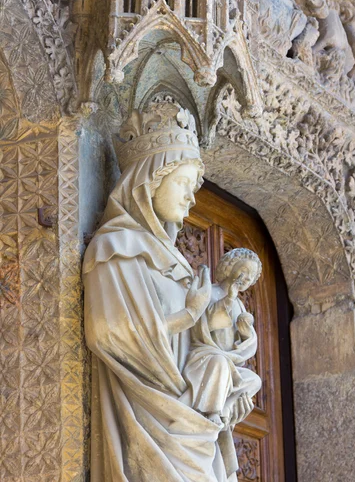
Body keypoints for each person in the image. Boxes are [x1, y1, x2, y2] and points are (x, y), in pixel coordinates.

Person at [83, 103, 232, 481]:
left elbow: (191, 345)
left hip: (194, 417)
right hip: (149, 417)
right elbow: (109, 333)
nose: (192, 199)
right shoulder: (114, 248)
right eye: (183, 183)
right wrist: (188, 315)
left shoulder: (178, 262)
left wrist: (211, 329)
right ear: (149, 181)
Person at [182, 248, 262, 479]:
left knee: (253, 379)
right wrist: (227, 300)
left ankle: (225, 409)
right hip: (205, 355)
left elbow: (244, 347)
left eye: (251, 277)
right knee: (220, 362)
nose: (245, 278)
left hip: (229, 363)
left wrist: (247, 334)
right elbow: (207, 322)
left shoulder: (240, 306)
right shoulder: (214, 293)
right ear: (229, 268)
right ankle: (213, 413)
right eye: (244, 271)